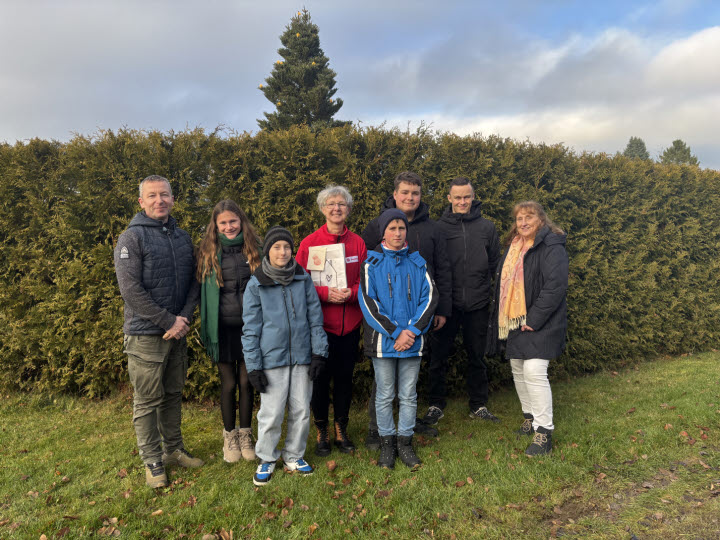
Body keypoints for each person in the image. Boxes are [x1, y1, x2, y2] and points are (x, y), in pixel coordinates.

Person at [114, 174, 202, 489]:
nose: (159, 200)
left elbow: (195, 281)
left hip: (177, 331)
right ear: (141, 201)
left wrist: (184, 317)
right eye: (151, 195)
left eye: (164, 194)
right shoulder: (131, 238)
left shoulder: (183, 237)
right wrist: (168, 321)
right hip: (146, 335)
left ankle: (174, 449)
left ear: (172, 199)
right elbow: (130, 290)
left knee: (173, 394)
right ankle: (152, 460)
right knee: (148, 400)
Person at [361, 171, 451, 447]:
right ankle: (378, 429)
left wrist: (440, 309)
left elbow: (442, 268)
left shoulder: (433, 229)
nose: (410, 197)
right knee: (384, 384)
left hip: (417, 315)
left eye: (415, 193)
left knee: (409, 383)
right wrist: (393, 329)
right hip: (386, 323)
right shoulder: (375, 226)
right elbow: (368, 269)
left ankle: (406, 427)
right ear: (395, 194)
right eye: (405, 192)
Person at [242, 226, 329, 486]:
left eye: (287, 247)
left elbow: (315, 318)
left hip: (302, 356)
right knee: (271, 412)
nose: (283, 252)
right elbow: (250, 328)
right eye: (277, 247)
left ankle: (294, 454)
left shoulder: (303, 279)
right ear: (268, 251)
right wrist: (253, 366)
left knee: (301, 409)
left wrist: (319, 353)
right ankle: (267, 457)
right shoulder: (256, 283)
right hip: (272, 359)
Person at [486, 201, 568, 456]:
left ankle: (544, 432)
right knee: (518, 368)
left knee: (534, 371)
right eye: (519, 218)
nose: (523, 223)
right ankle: (530, 418)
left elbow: (555, 286)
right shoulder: (515, 246)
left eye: (528, 217)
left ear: (541, 219)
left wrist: (533, 319)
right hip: (516, 319)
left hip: (541, 321)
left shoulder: (551, 246)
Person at [359, 209, 439, 469]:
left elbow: (429, 298)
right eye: (392, 228)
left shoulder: (418, 263)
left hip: (412, 341)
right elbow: (369, 304)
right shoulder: (371, 264)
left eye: (401, 228)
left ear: (407, 231)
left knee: (408, 395)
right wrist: (395, 332)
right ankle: (387, 444)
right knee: (384, 395)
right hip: (385, 342)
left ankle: (405, 442)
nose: (397, 233)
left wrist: (412, 331)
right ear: (383, 232)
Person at [423, 177, 501, 426]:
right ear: (449, 198)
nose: (462, 201)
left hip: (478, 303)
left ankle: (478, 405)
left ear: (473, 197)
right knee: (438, 357)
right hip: (447, 305)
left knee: (477, 357)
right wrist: (438, 304)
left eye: (466, 196)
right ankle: (436, 404)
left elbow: (495, 265)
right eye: (457, 197)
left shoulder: (487, 228)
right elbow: (433, 267)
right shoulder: (438, 228)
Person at [296, 186, 367, 457]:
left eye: (342, 204)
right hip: (320, 327)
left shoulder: (358, 243)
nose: (336, 208)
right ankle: (322, 431)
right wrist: (325, 293)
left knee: (344, 380)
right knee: (320, 381)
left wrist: (352, 293)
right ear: (322, 209)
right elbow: (299, 283)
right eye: (331, 204)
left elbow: (365, 281)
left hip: (349, 327)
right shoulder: (309, 243)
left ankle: (341, 430)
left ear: (348, 209)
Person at [196, 200, 262, 463]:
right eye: (222, 222)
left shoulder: (255, 249)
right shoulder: (207, 252)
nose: (229, 226)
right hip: (222, 329)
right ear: (215, 225)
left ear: (241, 221)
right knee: (230, 384)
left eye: (233, 221)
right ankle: (229, 436)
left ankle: (246, 434)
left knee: (247, 383)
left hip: (250, 328)